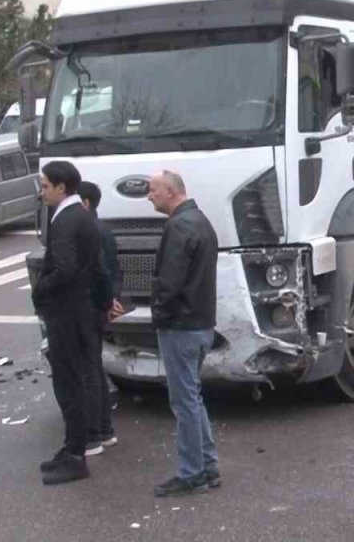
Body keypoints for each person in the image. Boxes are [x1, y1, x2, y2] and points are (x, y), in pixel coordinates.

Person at [147, 170, 220, 498]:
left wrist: (159, 317)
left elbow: (169, 281)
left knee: (184, 402)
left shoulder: (178, 226)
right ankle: (207, 465)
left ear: (171, 191)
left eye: (153, 191)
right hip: (201, 323)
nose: (149, 196)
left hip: (181, 326)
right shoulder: (201, 221)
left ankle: (193, 474)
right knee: (193, 398)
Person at [32, 161, 100, 485]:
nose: (41, 191)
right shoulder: (82, 216)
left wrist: (39, 288)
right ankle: (72, 447)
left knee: (68, 384)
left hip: (66, 313)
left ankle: (76, 455)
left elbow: (65, 269)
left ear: (62, 187)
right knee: (75, 379)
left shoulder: (65, 221)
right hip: (80, 310)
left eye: (45, 186)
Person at [78, 182, 125, 454]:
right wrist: (112, 299)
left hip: (88, 308)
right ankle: (105, 429)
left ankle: (95, 432)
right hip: (100, 306)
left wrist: (107, 300)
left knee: (89, 370)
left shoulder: (88, 230)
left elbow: (103, 272)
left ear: (85, 203)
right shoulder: (104, 228)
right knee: (94, 366)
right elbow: (114, 271)